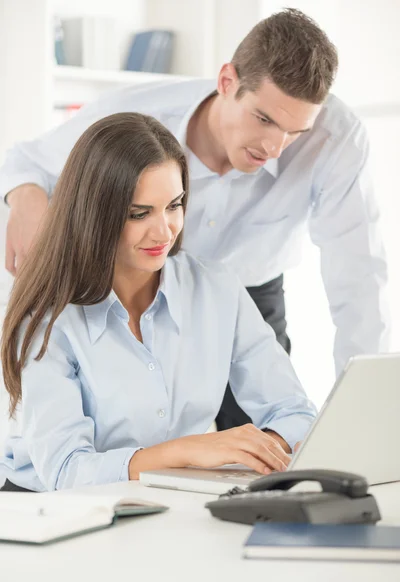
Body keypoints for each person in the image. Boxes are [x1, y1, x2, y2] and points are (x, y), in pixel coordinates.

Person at [0, 9, 390, 433]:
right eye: (264, 119)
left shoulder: (337, 140)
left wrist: (365, 412)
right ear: (227, 82)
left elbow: (360, 283)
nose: (276, 147)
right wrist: (25, 198)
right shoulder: (139, 116)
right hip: (134, 294)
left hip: (251, 295)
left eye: (296, 133)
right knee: (128, 438)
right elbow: (25, 161)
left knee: (267, 446)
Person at [0, 112, 316, 492]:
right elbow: (67, 471)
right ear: (94, 214)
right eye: (139, 213)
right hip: (48, 509)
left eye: (174, 205)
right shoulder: (50, 317)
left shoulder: (217, 290)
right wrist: (189, 451)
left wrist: (256, 450)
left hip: (167, 497)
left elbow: (296, 413)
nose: (164, 230)